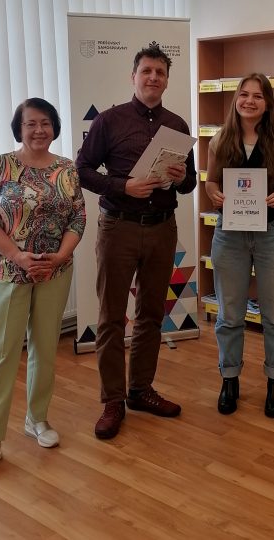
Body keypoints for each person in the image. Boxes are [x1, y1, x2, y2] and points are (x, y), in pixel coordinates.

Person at [0, 98, 86, 480]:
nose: (38, 130)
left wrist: (61, 257)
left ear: (54, 127)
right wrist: (17, 255)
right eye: (31, 123)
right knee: (1, 355)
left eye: (45, 123)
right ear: (19, 128)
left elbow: (78, 217)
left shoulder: (67, 168)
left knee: (45, 348)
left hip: (54, 272)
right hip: (8, 272)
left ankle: (37, 419)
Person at [76, 45, 196, 439]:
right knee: (112, 316)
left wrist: (181, 178)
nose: (153, 78)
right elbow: (82, 170)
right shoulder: (109, 120)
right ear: (134, 77)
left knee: (150, 314)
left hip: (163, 228)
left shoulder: (177, 125)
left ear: (167, 80)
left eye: (160, 72)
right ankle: (112, 400)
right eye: (147, 71)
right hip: (119, 227)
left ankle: (140, 390)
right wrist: (122, 186)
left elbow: (190, 184)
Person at [205, 73, 274, 418]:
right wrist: (214, 194)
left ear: (267, 103)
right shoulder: (220, 139)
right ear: (236, 100)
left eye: (257, 96)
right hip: (230, 234)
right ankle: (229, 379)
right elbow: (211, 182)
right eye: (244, 94)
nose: (249, 101)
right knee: (229, 314)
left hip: (271, 233)